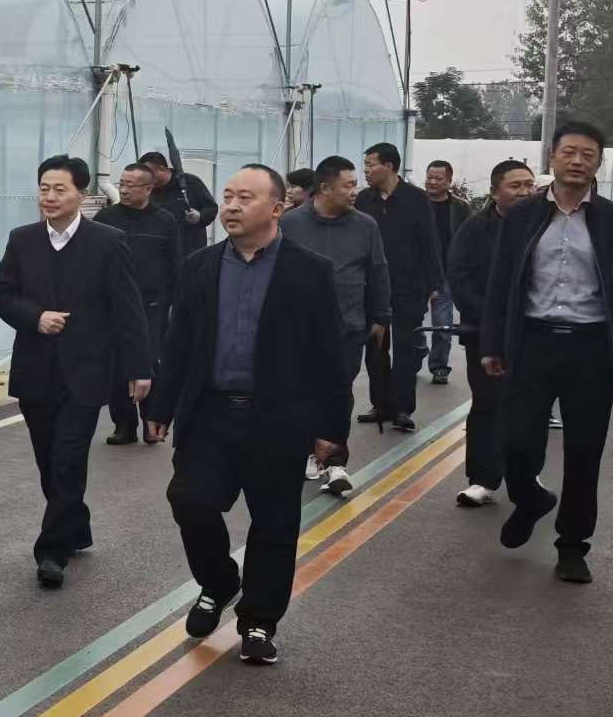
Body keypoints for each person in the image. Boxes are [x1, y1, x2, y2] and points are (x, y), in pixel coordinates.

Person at [144, 164, 350, 666]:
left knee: (275, 523)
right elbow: (178, 343)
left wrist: (331, 429)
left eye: (246, 198)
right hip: (210, 413)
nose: (232, 206)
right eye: (228, 196)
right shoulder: (199, 266)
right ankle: (219, 582)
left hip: (278, 418)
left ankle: (259, 620)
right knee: (189, 499)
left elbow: (329, 355)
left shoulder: (309, 272)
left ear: (277, 209)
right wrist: (162, 406)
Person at [480, 122, 613, 584]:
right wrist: (492, 343)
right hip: (532, 343)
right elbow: (501, 282)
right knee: (515, 441)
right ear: (552, 157)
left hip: (591, 348)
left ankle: (573, 545)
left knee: (584, 451)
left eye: (588, 155)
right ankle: (529, 499)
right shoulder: (523, 216)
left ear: (598, 164)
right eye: (569, 152)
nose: (577, 161)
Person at [0, 155, 151, 590]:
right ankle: (75, 525)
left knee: (67, 459)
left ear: (81, 194)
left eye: (59, 189)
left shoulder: (108, 242)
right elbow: (2, 296)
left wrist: (139, 368)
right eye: (44, 188)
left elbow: (128, 309)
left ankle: (51, 552)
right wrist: (36, 317)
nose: (49, 196)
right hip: (35, 371)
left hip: (86, 373)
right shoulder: (22, 240)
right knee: (49, 461)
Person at [278, 155, 389, 495]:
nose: (356, 190)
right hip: (297, 329)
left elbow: (378, 271)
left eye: (356, 184)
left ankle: (336, 462)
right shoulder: (289, 223)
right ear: (325, 188)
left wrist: (380, 317)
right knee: (300, 393)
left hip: (348, 327)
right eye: (349, 185)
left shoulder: (366, 225)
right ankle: (305, 451)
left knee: (339, 393)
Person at [446, 159, 538, 507]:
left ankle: (526, 473)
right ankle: (482, 479)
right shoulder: (474, 228)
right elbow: (459, 276)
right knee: (487, 403)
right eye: (515, 186)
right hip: (485, 333)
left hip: (534, 330)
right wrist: (492, 316)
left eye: (529, 185)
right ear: (495, 192)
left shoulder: (544, 224)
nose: (524, 192)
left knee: (529, 405)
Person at [356, 143, 441, 433]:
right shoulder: (363, 200)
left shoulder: (416, 198)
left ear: (390, 166)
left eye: (371, 165)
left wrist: (434, 282)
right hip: (372, 287)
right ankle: (381, 405)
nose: (366, 171)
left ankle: (403, 408)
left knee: (405, 349)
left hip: (409, 286)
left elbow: (429, 241)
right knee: (375, 349)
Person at [97, 164, 185, 446]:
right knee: (116, 364)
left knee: (150, 362)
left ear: (148, 189)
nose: (123, 190)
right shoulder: (106, 218)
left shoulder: (164, 220)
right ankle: (124, 425)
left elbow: (175, 264)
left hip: (152, 304)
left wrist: (176, 303)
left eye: (130, 185)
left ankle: (151, 421)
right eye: (121, 183)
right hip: (113, 304)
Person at [422, 160, 466, 385]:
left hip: (446, 273)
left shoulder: (460, 207)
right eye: (429, 177)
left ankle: (439, 366)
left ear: (449, 181)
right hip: (417, 272)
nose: (432, 182)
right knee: (410, 322)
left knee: (442, 323)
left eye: (438, 178)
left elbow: (468, 238)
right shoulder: (416, 203)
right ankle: (417, 351)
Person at [139, 150, 216, 251]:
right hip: (161, 251)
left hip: (191, 250)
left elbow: (212, 208)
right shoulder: (148, 190)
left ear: (162, 169)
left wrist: (200, 217)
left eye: (150, 174)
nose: (147, 179)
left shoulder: (190, 183)